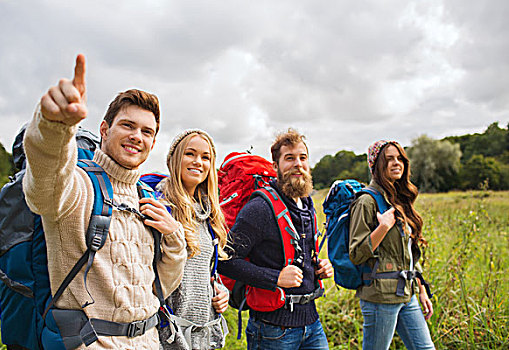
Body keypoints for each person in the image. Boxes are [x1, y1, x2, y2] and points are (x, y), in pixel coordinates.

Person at [23, 54, 187, 349]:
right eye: (127, 125)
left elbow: (160, 287)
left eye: (147, 131)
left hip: (150, 341)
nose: (137, 136)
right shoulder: (77, 186)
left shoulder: (147, 198)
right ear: (104, 129)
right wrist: (54, 129)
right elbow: (44, 184)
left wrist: (175, 239)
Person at [218, 128, 333, 350]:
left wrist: (319, 266)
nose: (298, 163)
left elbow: (298, 254)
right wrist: (275, 278)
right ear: (275, 166)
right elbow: (225, 260)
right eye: (289, 158)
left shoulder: (307, 204)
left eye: (303, 157)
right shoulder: (259, 208)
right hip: (273, 330)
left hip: (312, 323)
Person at [349, 140, 434, 350]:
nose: (396, 163)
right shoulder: (366, 201)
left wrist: (421, 289)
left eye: (399, 158)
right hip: (380, 297)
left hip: (407, 293)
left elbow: (409, 253)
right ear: (376, 165)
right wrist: (383, 227)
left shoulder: (399, 199)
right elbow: (356, 253)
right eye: (389, 159)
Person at [153, 129, 230, 349]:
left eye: (205, 157)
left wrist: (220, 291)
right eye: (190, 154)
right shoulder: (160, 207)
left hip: (204, 334)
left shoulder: (208, 213)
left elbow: (205, 270)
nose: (198, 162)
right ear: (175, 158)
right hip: (168, 335)